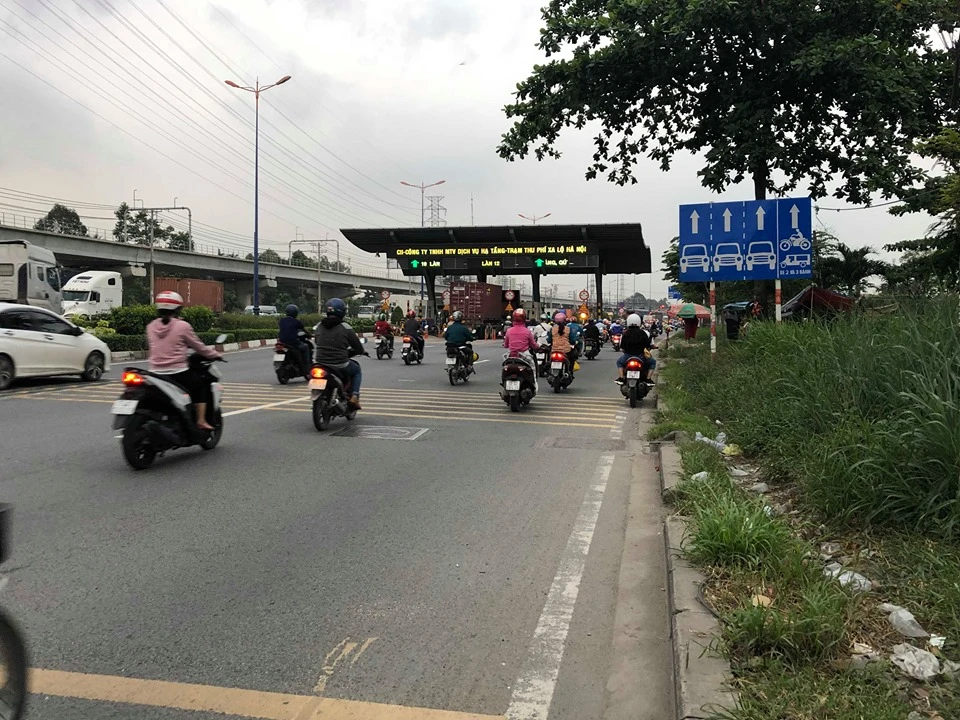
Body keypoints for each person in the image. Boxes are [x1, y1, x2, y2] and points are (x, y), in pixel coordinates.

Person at [146, 290, 223, 431]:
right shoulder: (182, 326)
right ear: (177, 309)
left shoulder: (151, 326)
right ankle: (201, 421)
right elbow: (199, 346)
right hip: (177, 372)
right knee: (200, 386)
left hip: (155, 373)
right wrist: (214, 354)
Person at [314, 298, 366, 409]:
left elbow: (317, 341)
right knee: (356, 370)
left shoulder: (319, 326)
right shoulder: (346, 327)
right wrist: (361, 351)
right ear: (342, 311)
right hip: (339, 364)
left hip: (320, 362)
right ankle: (354, 396)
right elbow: (357, 346)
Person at [503, 309, 539, 391]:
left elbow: (506, 345)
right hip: (524, 355)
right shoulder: (527, 331)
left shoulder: (509, 331)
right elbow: (533, 345)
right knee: (533, 369)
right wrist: (538, 346)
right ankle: (534, 385)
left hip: (511, 356)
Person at [616, 313, 656, 386]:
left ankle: (621, 378)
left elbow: (622, 348)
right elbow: (647, 346)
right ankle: (648, 379)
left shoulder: (625, 334)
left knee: (619, 362)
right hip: (641, 356)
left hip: (628, 356)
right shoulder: (643, 333)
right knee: (652, 362)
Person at [278, 304, 310, 377]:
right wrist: (310, 335)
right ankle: (307, 367)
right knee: (306, 347)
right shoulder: (296, 321)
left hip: (282, 342)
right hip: (293, 343)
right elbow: (304, 330)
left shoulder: (281, 321)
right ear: (296, 313)